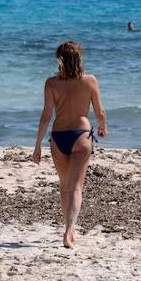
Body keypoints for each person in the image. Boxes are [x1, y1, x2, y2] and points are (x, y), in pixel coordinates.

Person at [31, 41, 107, 248]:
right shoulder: (90, 81)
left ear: (59, 60)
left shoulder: (51, 83)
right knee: (75, 187)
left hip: (58, 136)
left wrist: (37, 145)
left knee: (65, 186)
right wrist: (102, 126)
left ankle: (69, 229)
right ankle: (68, 231)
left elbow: (46, 115)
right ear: (79, 58)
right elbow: (99, 111)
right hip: (81, 135)